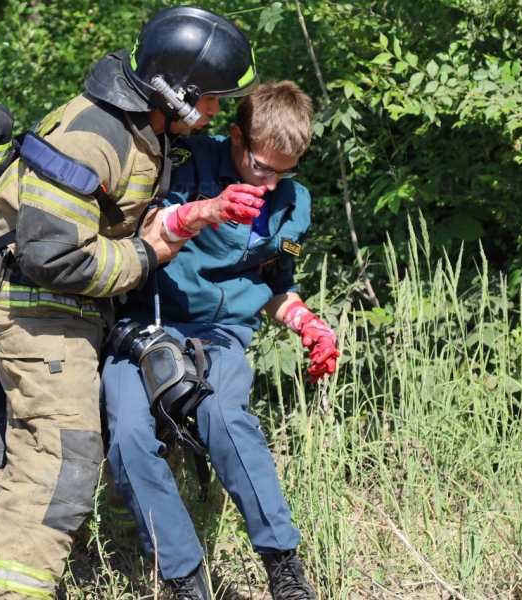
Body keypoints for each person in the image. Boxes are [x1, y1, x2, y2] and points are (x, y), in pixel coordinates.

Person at [0, 7, 260, 599]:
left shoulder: (141, 131)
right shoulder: (91, 135)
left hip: (76, 313)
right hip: (39, 313)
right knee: (59, 457)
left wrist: (186, 220)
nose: (214, 113)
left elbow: (112, 222)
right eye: (208, 100)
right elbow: (53, 256)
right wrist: (148, 255)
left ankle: (111, 567)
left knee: (128, 430)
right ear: (174, 92)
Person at [100, 80, 339, 600]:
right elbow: (141, 232)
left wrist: (309, 325)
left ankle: (283, 567)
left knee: (224, 416)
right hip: (147, 323)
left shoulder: (293, 202)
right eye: (262, 167)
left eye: (285, 170)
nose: (272, 182)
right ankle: (185, 578)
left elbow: (278, 288)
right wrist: (201, 212)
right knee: (129, 437)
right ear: (236, 137)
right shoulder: (185, 160)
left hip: (221, 334)